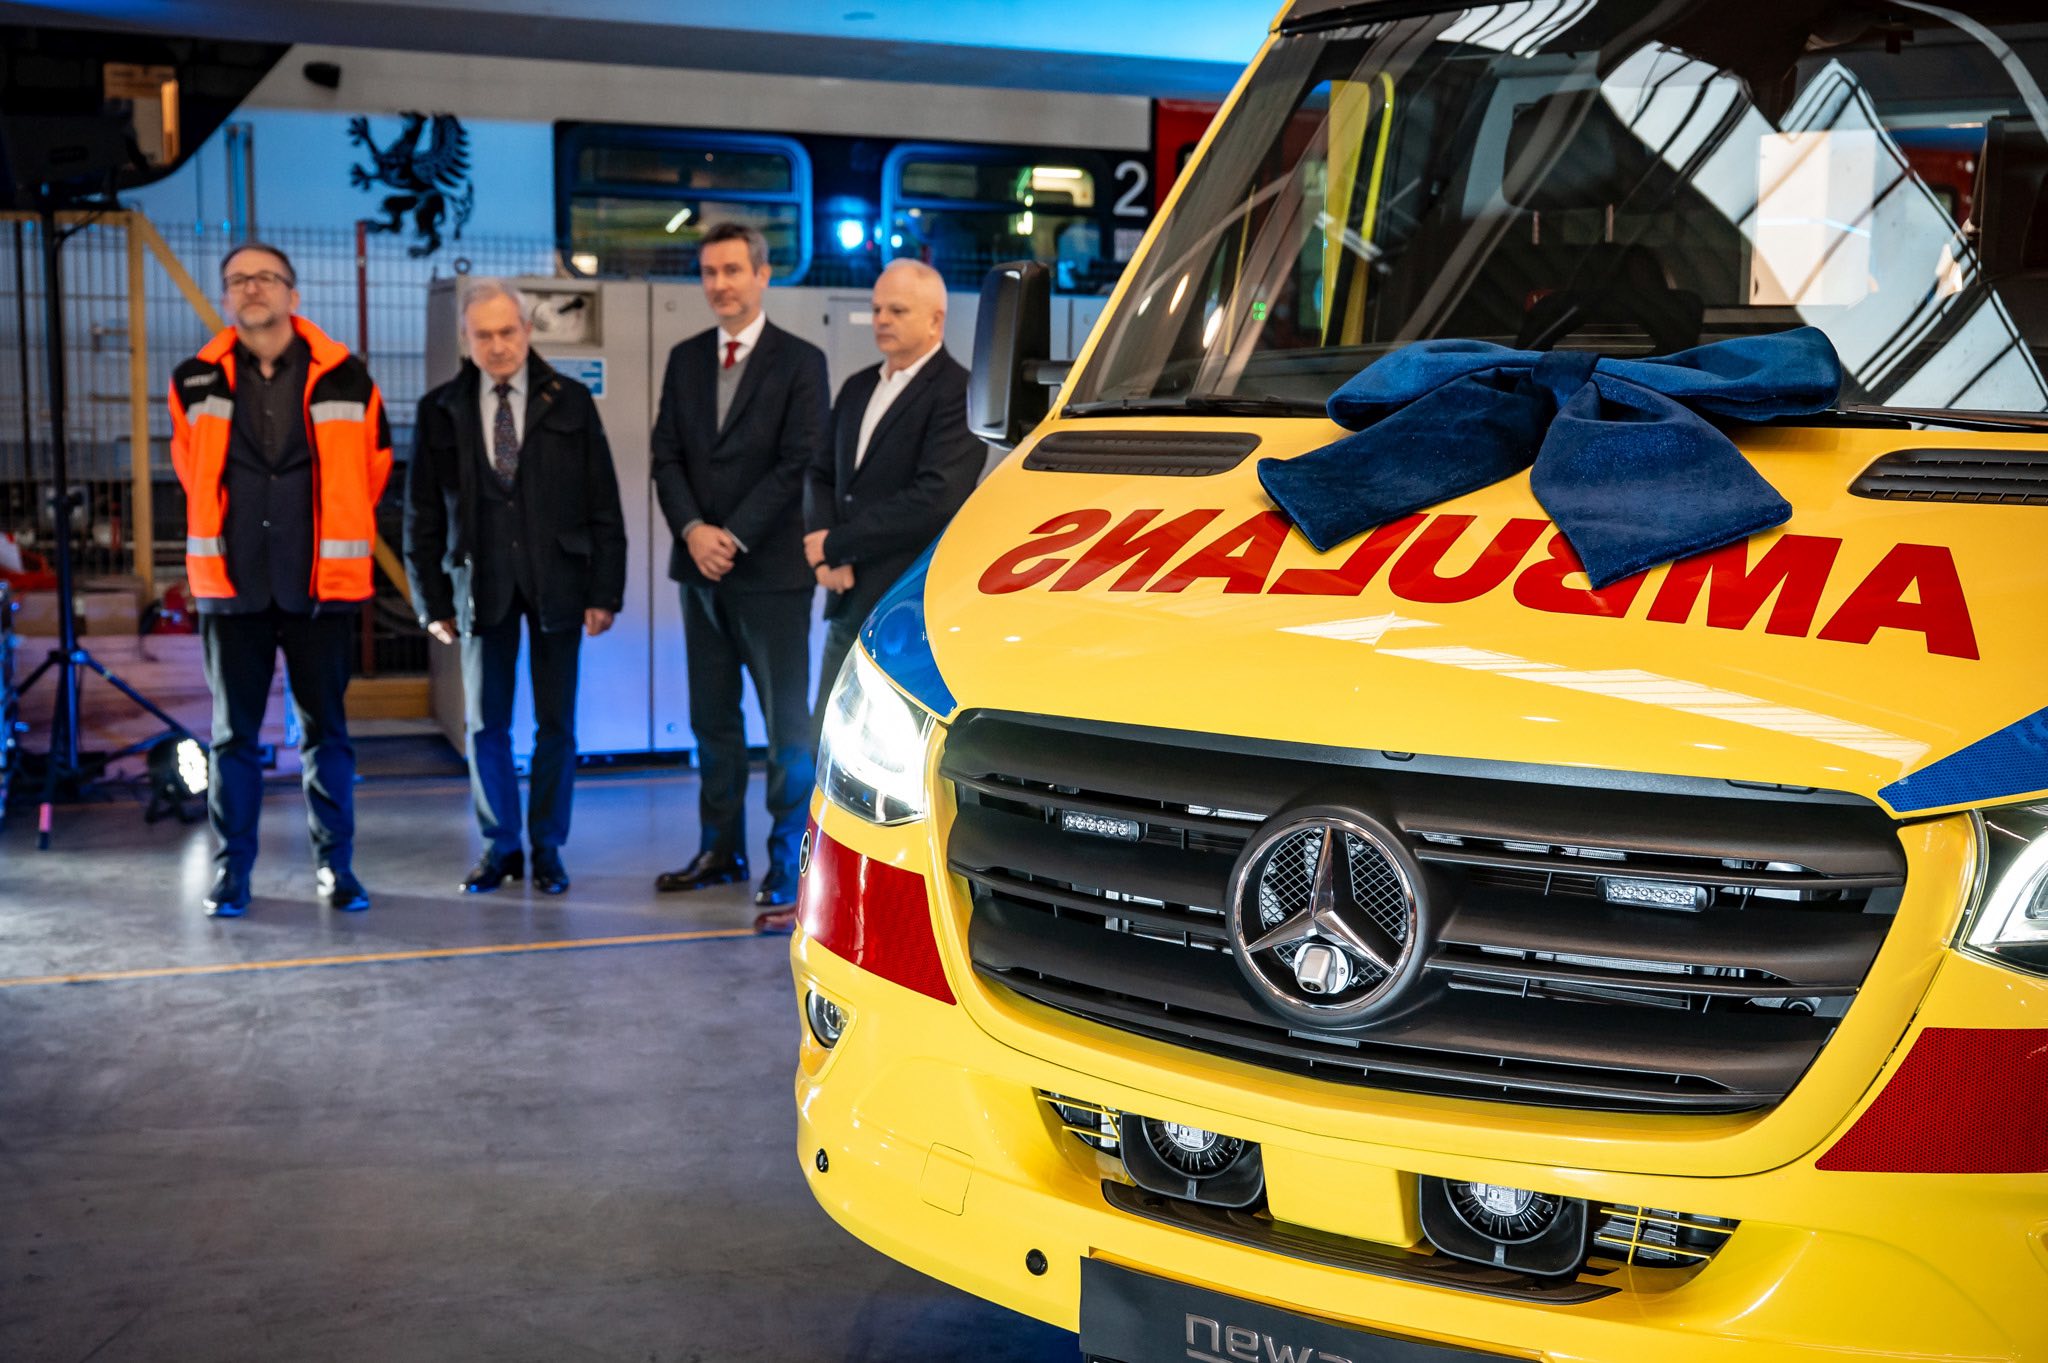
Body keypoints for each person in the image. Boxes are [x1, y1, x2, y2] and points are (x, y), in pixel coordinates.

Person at [756, 260, 985, 932]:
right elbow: (820, 473)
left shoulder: (958, 394)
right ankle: (814, 889)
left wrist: (838, 544)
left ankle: (883, 908)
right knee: (828, 743)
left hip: (908, 608)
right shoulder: (859, 386)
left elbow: (936, 497)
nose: (880, 320)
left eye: (897, 311)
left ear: (936, 319)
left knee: (893, 768)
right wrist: (825, 547)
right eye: (878, 308)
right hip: (847, 595)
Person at [169, 242, 392, 918]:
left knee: (326, 734)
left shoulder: (349, 377)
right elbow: (188, 468)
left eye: (265, 278)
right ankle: (232, 871)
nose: (251, 288)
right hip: (230, 584)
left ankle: (337, 867)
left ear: (293, 295)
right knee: (233, 737)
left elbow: (375, 467)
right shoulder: (193, 380)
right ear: (226, 297)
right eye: (238, 280)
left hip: (320, 586)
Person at [404, 280, 626, 896]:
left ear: (527, 331)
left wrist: (605, 592)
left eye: (507, 332)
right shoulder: (440, 409)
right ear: (466, 340)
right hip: (479, 586)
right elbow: (421, 513)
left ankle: (548, 847)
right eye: (484, 335)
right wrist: (430, 602)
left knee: (557, 724)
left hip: (560, 582)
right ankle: (499, 845)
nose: (498, 346)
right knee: (486, 724)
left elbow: (603, 503)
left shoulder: (571, 401)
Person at [649, 222, 829, 910]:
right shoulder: (685, 359)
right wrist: (694, 531)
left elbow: (799, 461)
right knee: (712, 722)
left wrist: (733, 535)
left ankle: (787, 864)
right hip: (700, 573)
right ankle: (719, 850)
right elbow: (666, 456)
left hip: (772, 575)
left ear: (762, 275)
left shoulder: (801, 361)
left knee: (787, 733)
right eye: (709, 272)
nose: (720, 284)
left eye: (732, 270)